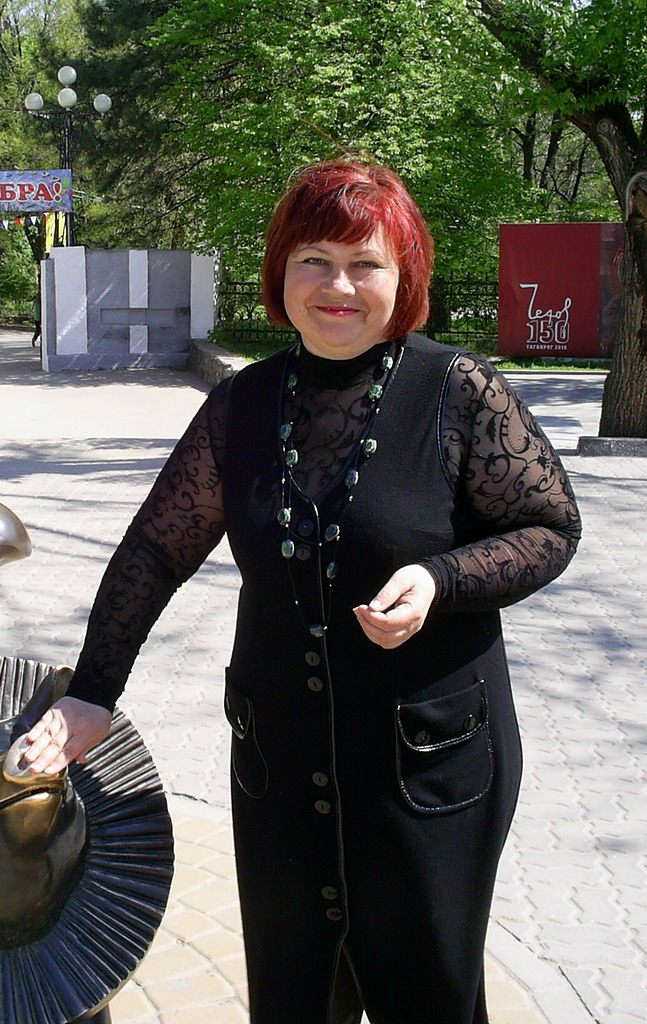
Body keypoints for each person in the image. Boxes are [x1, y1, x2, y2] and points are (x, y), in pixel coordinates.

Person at [24, 160, 581, 1024]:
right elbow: (155, 550)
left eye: (365, 264)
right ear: (281, 270)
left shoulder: (458, 391)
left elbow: (550, 528)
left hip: (424, 770)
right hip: (279, 767)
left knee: (426, 995)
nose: (337, 286)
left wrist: (440, 578)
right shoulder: (242, 404)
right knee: (295, 997)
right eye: (314, 259)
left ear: (404, 277)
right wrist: (93, 692)